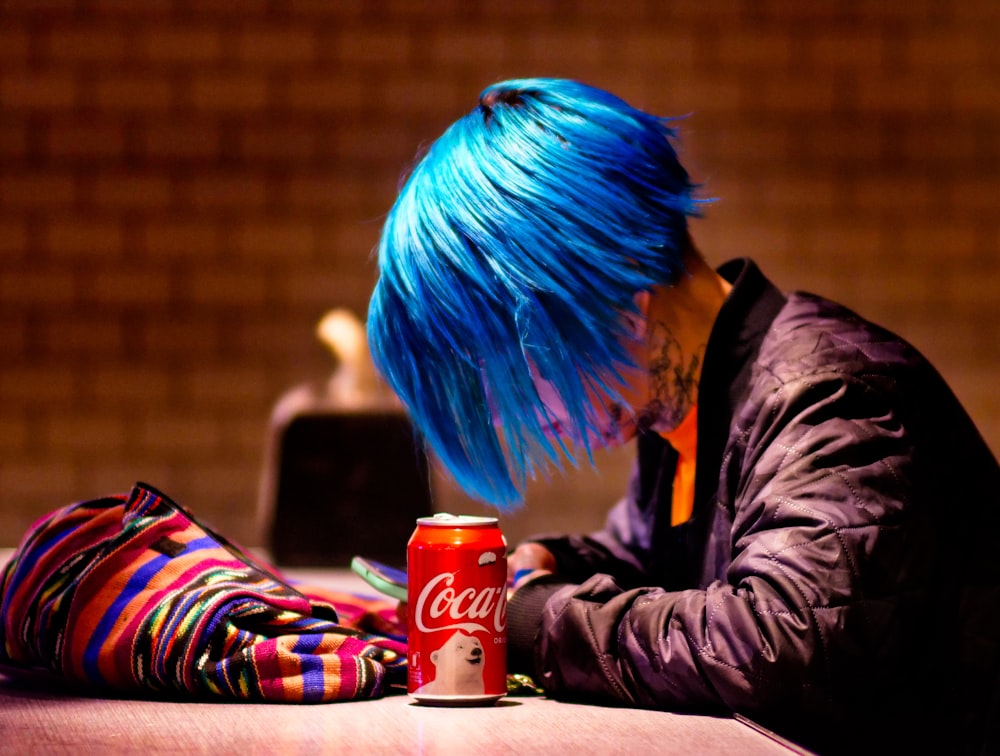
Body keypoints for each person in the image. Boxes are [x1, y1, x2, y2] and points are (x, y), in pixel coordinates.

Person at [365, 78, 1000, 754]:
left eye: (512, 367)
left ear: (614, 292)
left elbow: (780, 642)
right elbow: (662, 564)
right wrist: (559, 561)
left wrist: (535, 620)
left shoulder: (831, 398)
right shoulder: (684, 412)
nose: (502, 412)